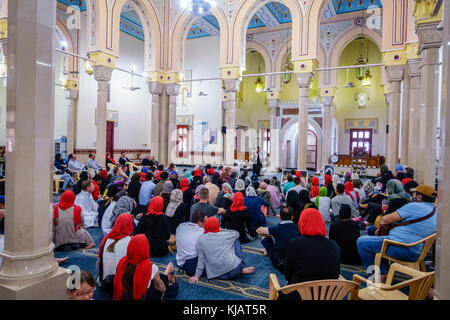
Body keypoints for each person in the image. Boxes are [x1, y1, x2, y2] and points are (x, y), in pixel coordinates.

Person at [357, 184, 437, 277]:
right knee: (378, 241)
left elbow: (385, 219)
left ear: (419, 197)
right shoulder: (435, 210)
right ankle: (384, 271)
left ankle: (377, 276)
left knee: (362, 242)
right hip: (417, 248)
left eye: (414, 194)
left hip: (404, 248)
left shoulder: (415, 206)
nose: (412, 196)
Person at [282, 208, 340, 300]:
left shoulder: (295, 243)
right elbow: (335, 274)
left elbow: (288, 275)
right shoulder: (334, 245)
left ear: (302, 223)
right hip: (327, 295)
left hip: (299, 295)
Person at [188, 217, 255, 284]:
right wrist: (220, 230)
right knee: (235, 240)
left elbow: (201, 259)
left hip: (217, 275)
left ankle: (225, 270)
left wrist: (197, 276)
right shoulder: (226, 235)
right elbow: (236, 233)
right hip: (235, 270)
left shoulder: (200, 239)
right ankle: (240, 267)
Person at [113, 234, 176, 300]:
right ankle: (167, 272)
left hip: (125, 294)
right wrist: (165, 289)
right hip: (141, 296)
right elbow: (160, 287)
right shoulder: (150, 267)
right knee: (167, 285)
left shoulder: (122, 261)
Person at [97, 213, 133, 294]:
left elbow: (99, 261)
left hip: (103, 281)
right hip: (121, 286)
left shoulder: (106, 238)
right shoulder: (131, 240)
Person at [256, 206, 300, 271]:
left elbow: (258, 230)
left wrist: (270, 233)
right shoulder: (297, 227)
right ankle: (266, 250)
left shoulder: (276, 228)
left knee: (264, 234)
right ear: (292, 217)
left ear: (280, 217)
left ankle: (267, 250)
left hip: (281, 263)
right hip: (296, 263)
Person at [175, 210, 207, 276]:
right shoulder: (202, 232)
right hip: (192, 264)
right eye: (205, 222)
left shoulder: (181, 226)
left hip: (180, 261)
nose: (206, 224)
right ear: (199, 223)